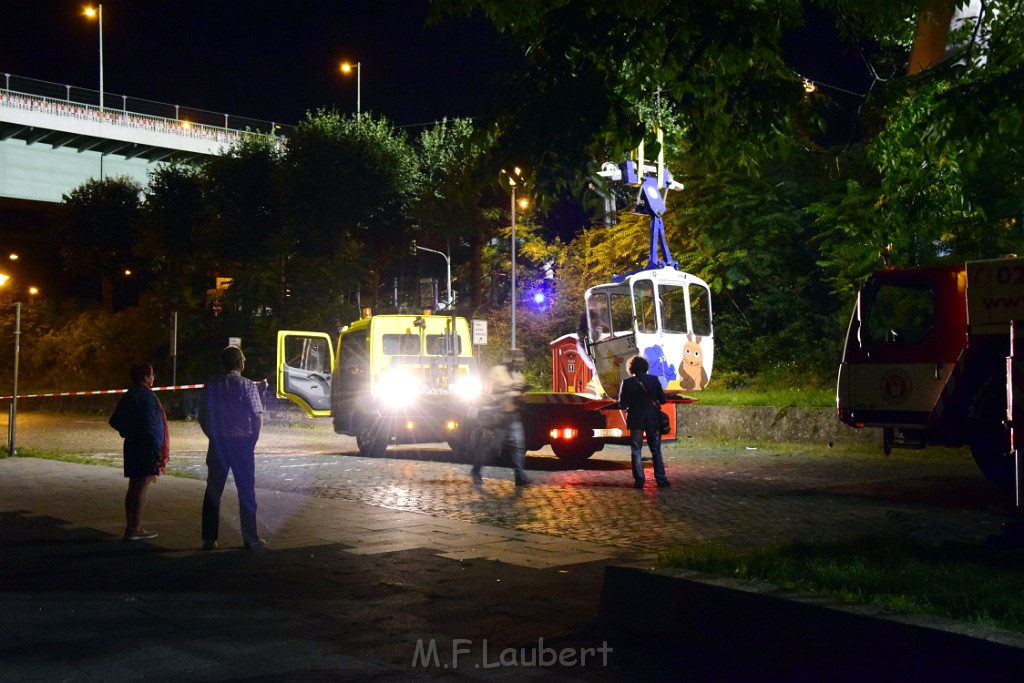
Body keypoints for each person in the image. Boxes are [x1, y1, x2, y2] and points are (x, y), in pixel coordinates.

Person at [198, 345, 265, 550]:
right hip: (242, 444)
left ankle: (209, 538)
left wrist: (212, 435)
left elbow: (202, 416)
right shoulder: (247, 386)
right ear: (239, 363)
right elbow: (256, 416)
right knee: (246, 491)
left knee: (213, 490)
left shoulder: (211, 386)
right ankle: (250, 538)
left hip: (218, 444)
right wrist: (251, 440)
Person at [109, 362, 169, 541]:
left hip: (132, 445)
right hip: (146, 446)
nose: (153, 377)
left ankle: (131, 526)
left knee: (133, 486)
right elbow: (151, 426)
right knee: (142, 487)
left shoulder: (130, 395)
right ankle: (135, 528)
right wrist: (157, 449)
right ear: (145, 377)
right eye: (151, 374)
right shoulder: (148, 397)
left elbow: (114, 420)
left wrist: (127, 432)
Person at [471, 348, 530, 486]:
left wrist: (522, 395)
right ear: (509, 358)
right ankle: (476, 470)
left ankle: (520, 476)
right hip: (497, 416)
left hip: (513, 415)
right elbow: (489, 390)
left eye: (520, 358)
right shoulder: (496, 371)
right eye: (516, 358)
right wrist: (510, 388)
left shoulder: (519, 377)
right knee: (492, 449)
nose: (518, 361)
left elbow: (521, 399)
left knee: (518, 446)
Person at [617, 355, 671, 489]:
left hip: (636, 420)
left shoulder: (627, 383)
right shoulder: (654, 380)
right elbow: (663, 400)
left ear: (631, 368)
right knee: (656, 450)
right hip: (653, 420)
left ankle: (639, 481)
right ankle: (661, 479)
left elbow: (622, 404)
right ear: (646, 367)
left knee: (636, 450)